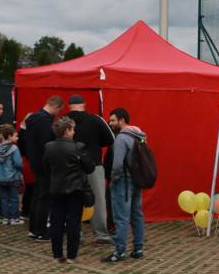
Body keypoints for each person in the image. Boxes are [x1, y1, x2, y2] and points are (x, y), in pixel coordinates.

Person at [65, 94, 116, 245]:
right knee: (98, 199)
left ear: (69, 106)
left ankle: (76, 234)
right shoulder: (95, 119)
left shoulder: (63, 120)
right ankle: (101, 235)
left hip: (70, 165)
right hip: (94, 164)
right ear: (84, 104)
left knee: (73, 200)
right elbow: (111, 139)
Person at [44, 117, 95, 264]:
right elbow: (90, 167)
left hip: (56, 189)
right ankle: (72, 256)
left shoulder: (49, 147)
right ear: (67, 130)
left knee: (57, 222)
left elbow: (46, 167)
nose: (74, 131)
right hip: (75, 189)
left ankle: (57, 255)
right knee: (73, 222)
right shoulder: (78, 147)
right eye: (72, 129)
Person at [103, 108, 147, 263]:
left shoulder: (122, 138)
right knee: (137, 214)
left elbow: (117, 165)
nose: (110, 123)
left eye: (113, 120)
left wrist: (113, 180)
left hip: (123, 182)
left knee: (121, 217)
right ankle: (138, 249)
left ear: (122, 121)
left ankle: (119, 251)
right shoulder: (139, 135)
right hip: (136, 180)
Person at [22, 96, 64, 241]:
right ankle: (41, 231)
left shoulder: (32, 120)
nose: (58, 114)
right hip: (44, 164)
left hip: (34, 162)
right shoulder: (46, 122)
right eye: (59, 110)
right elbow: (47, 145)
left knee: (37, 196)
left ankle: (33, 230)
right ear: (55, 106)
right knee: (44, 197)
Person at [0, 124, 25, 225]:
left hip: (1, 178)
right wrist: (21, 167)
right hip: (13, 177)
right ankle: (14, 218)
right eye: (16, 136)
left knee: (4, 198)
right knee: (14, 198)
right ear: (9, 137)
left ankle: (5, 218)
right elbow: (18, 163)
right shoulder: (14, 149)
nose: (18, 138)